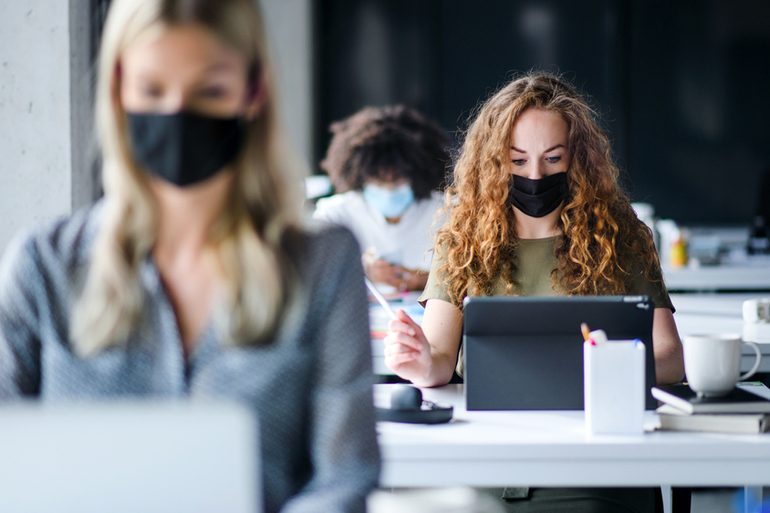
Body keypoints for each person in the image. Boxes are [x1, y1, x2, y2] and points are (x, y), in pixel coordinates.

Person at [0, 1, 379, 511]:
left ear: (253, 93)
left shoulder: (322, 266)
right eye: (152, 90)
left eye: (209, 91)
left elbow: (344, 479)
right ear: (117, 89)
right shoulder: (42, 269)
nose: (178, 114)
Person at [384, 72, 684, 512]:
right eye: (518, 160)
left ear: (578, 159)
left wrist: (604, 373)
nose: (536, 174)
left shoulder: (623, 237)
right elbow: (439, 362)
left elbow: (671, 359)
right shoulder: (462, 239)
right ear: (494, 161)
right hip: (484, 465)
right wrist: (420, 361)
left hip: (594, 469)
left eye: (553, 158)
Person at [313, 105, 451, 291]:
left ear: (418, 175)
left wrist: (426, 281)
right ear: (359, 176)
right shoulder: (335, 214)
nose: (388, 189)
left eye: (397, 180)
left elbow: (474, 278)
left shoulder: (447, 212)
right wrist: (359, 270)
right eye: (378, 181)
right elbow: (312, 273)